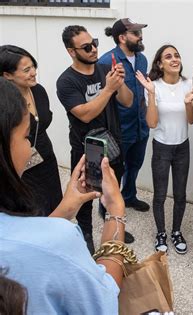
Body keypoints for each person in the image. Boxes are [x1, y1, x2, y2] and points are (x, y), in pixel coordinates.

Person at [0, 77, 127, 313]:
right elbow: (105, 299)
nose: (30, 149)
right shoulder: (58, 240)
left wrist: (65, 209)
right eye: (27, 136)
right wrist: (116, 211)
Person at [56, 25, 134, 253]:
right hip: (86, 149)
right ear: (71, 51)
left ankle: (113, 224)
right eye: (87, 47)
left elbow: (127, 101)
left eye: (95, 43)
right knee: (86, 193)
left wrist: (121, 83)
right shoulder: (66, 81)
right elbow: (85, 113)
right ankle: (86, 233)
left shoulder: (103, 69)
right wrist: (108, 89)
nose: (94, 49)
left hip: (113, 145)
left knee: (112, 189)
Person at [136, 44, 193, 254]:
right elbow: (152, 123)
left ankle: (176, 231)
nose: (174, 59)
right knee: (160, 195)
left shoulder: (189, 84)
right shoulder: (154, 86)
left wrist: (189, 103)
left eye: (177, 55)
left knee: (180, 194)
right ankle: (161, 232)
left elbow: (191, 120)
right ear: (160, 64)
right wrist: (151, 94)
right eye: (168, 56)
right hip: (161, 147)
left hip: (182, 147)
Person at [0, 45, 62, 216]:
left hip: (46, 156)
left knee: (55, 201)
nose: (33, 72)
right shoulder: (5, 106)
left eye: (33, 66)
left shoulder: (38, 91)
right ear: (7, 75)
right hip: (21, 166)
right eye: (26, 70)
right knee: (34, 210)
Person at [99, 18, 150, 212]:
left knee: (134, 166)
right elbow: (104, 98)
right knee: (113, 174)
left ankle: (129, 197)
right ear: (122, 38)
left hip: (140, 127)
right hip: (119, 131)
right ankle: (108, 211)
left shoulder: (142, 59)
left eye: (140, 33)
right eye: (136, 34)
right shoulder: (106, 61)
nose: (140, 37)